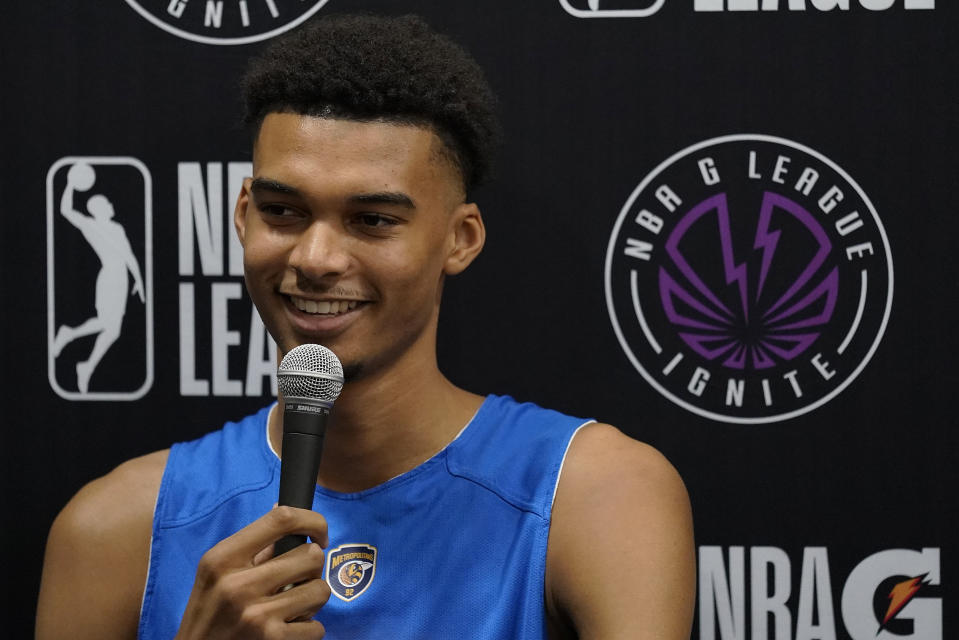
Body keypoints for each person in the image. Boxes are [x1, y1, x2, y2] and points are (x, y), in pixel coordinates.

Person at [36, 14, 694, 639]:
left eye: (373, 220)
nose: (315, 259)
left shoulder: (595, 495)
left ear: (460, 239)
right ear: (243, 215)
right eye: (284, 211)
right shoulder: (116, 527)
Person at [52, 163, 145, 393]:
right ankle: (69, 335)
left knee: (112, 331)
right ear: (98, 209)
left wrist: (139, 283)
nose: (111, 204)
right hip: (109, 277)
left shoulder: (117, 228)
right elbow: (65, 210)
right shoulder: (91, 226)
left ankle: (86, 366)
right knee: (107, 325)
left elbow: (129, 257)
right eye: (106, 203)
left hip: (122, 279)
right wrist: (71, 185)